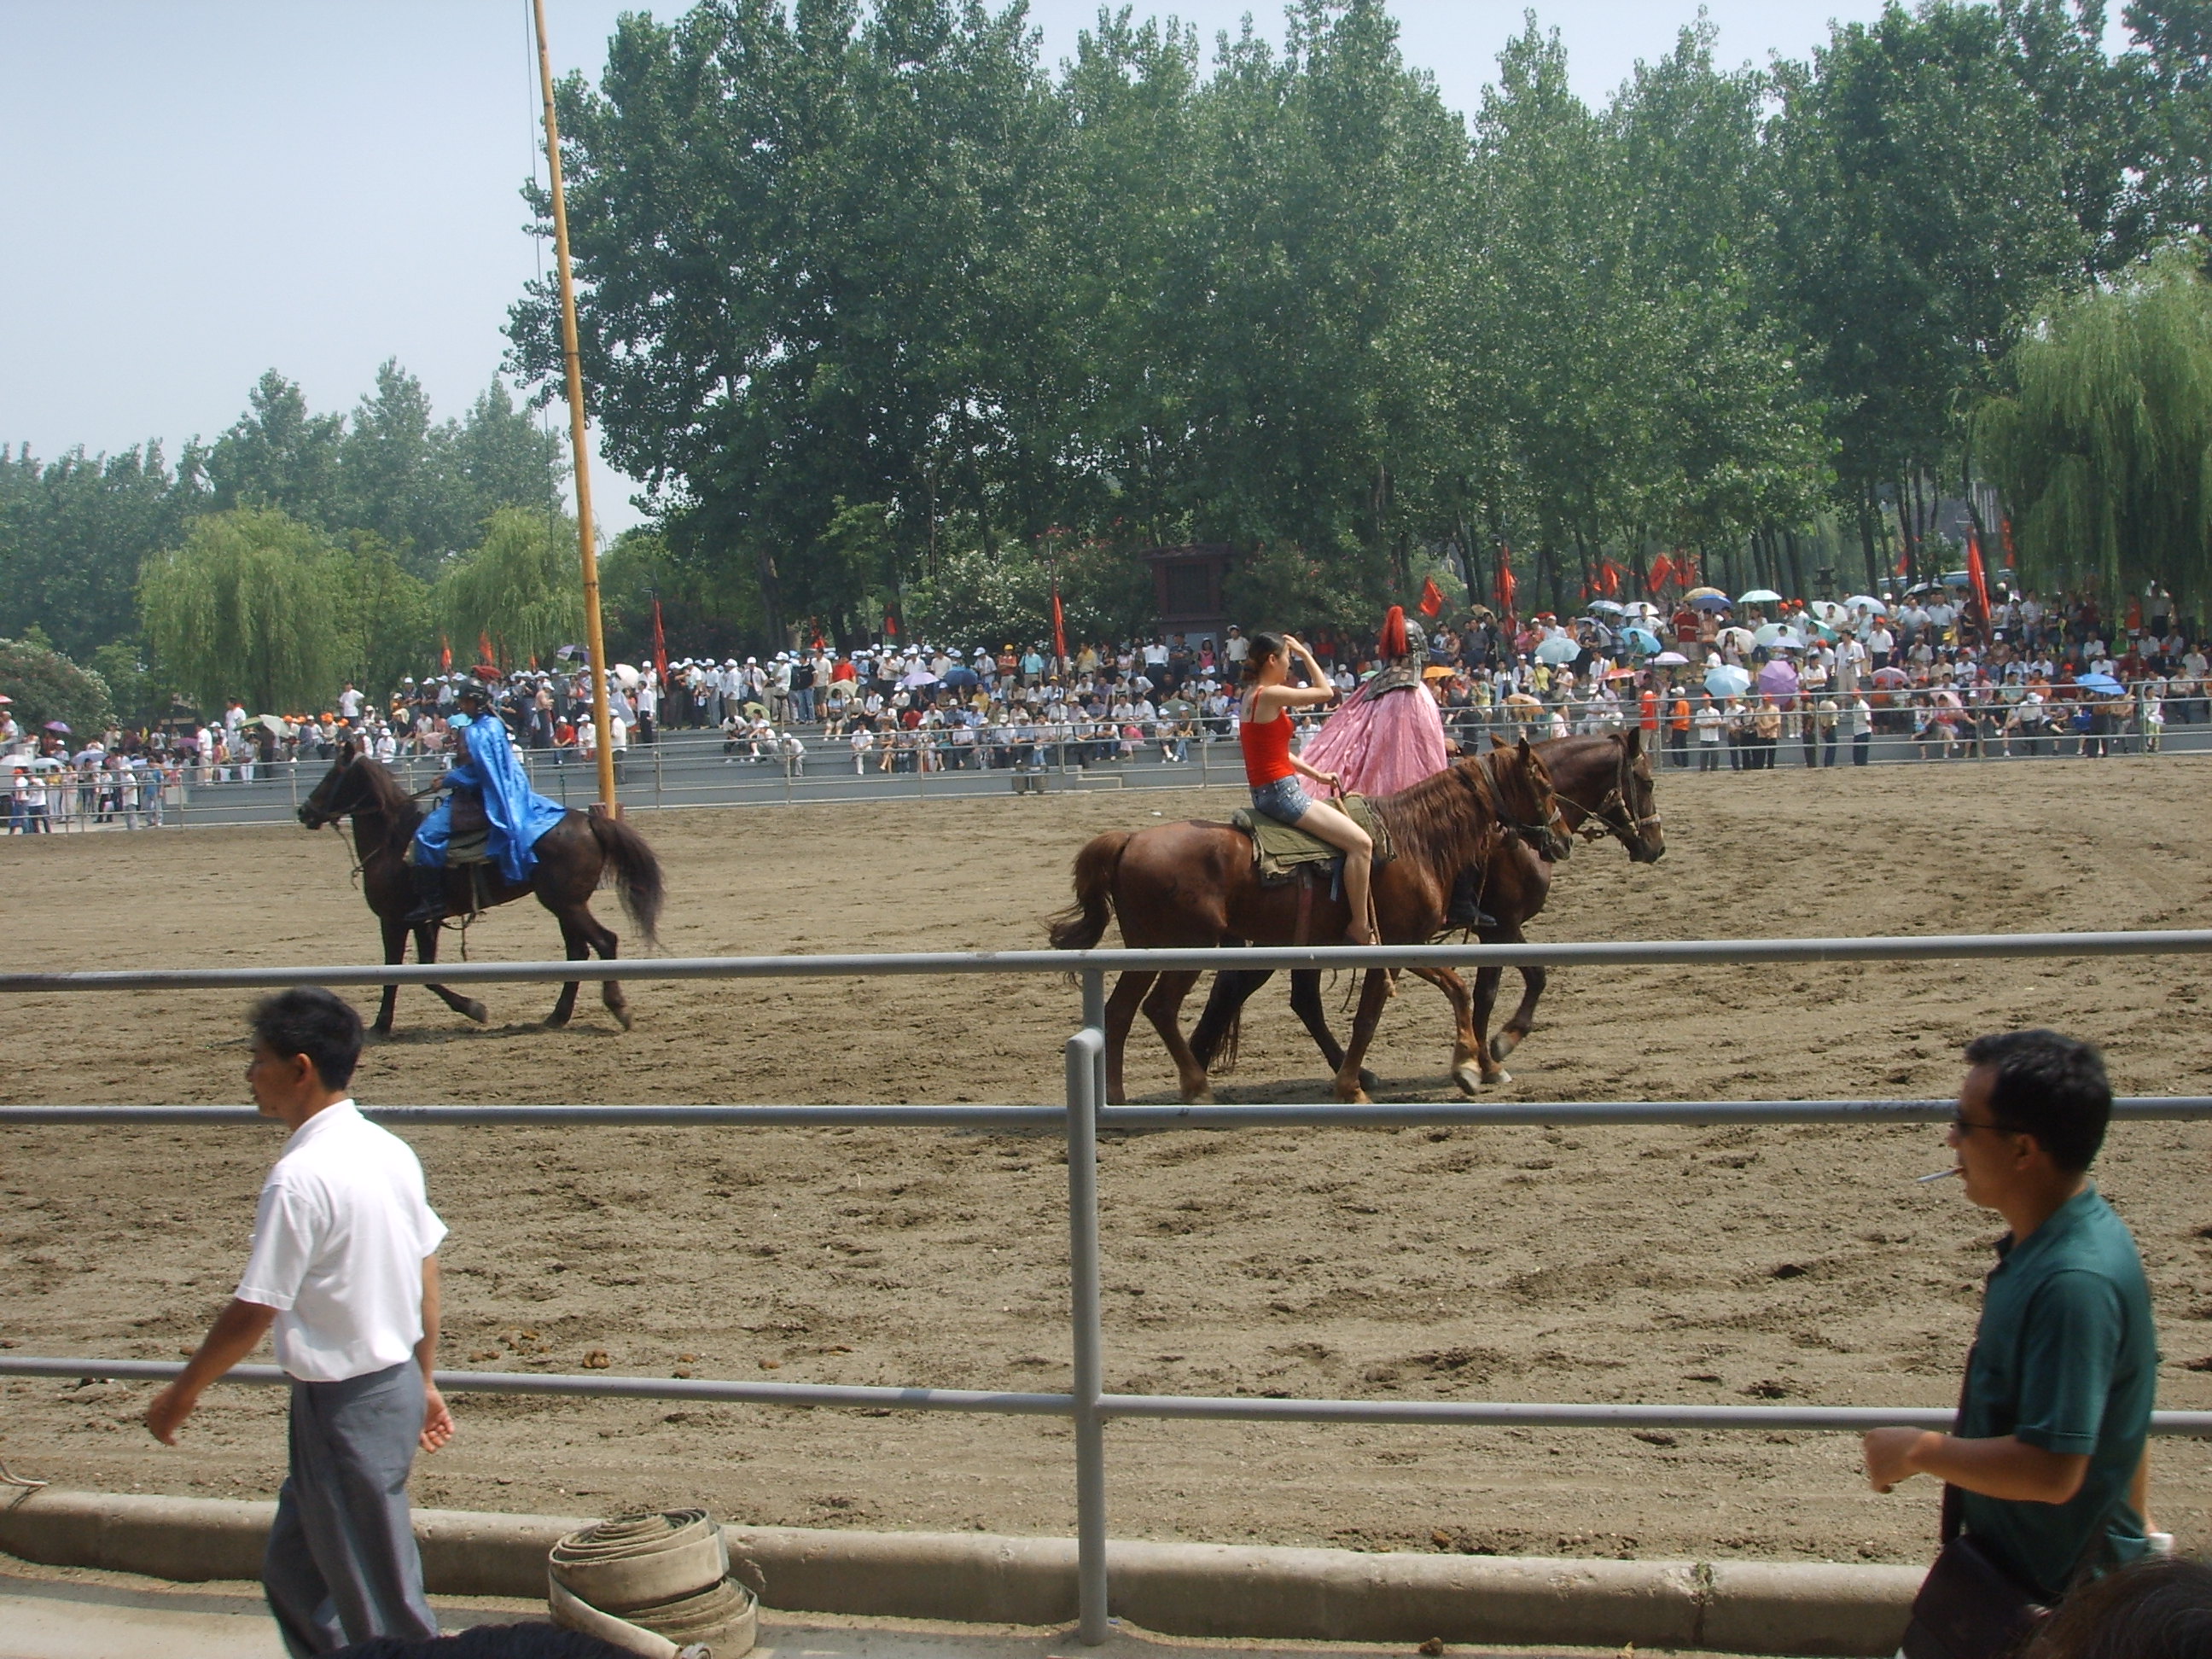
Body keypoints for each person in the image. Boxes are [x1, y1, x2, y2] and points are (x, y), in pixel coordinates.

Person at [145, 989, 452, 1656]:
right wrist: (423, 1380)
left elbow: (256, 1306)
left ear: (300, 1068)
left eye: (258, 1061)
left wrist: (182, 1391)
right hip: (388, 1385)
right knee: (296, 1573)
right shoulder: (389, 1149)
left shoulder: (300, 1178)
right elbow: (425, 1274)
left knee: (382, 1605)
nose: (250, 1076)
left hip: (346, 1405)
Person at [1865, 1031, 2157, 1618]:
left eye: (1965, 1125)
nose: (1952, 1139)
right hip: (2042, 1589)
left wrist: (1920, 1451)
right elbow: (2113, 1413)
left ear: (2024, 1150)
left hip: (2059, 1608)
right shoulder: (2052, 1248)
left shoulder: (2074, 1282)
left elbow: (2051, 1471)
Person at [1238, 631, 1372, 944]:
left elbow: (1276, 752)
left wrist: (1319, 775)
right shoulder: (1270, 695)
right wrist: (1305, 652)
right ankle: (1360, 926)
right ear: (1272, 660)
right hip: (1282, 794)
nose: (1289, 666)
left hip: (1268, 791)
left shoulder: (1251, 696)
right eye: (1287, 659)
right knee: (1362, 845)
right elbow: (1326, 692)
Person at [403, 689, 567, 925]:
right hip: (494, 789)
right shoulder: (488, 725)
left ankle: (434, 901)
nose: (462, 705)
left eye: (465, 701)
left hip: (483, 795)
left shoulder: (480, 731)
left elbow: (480, 771)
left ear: (476, 702)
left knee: (427, 835)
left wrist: (447, 780)